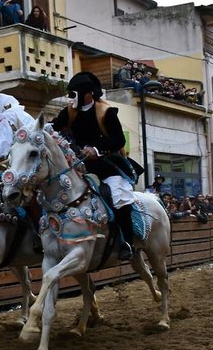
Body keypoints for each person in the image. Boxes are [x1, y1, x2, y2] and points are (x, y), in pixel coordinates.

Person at [50, 71, 144, 260]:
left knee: (118, 196)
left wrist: (97, 149)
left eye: (72, 93)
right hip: (78, 164)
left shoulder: (106, 112)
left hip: (108, 164)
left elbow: (118, 140)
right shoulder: (69, 111)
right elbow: (54, 126)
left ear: (87, 94)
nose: (70, 98)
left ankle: (126, 241)